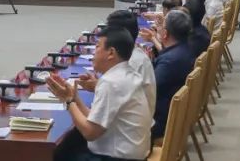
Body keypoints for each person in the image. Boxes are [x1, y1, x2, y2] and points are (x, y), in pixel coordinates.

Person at [47, 27, 152, 160]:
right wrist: (75, 98)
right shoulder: (128, 74)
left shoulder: (111, 82)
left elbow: (90, 132)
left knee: (60, 153)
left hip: (118, 158)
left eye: (97, 47)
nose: (93, 53)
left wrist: (68, 101)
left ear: (111, 53)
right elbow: (95, 119)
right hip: (131, 154)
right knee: (69, 146)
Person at [151, 10, 194, 142]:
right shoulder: (185, 49)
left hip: (158, 121)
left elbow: (147, 91)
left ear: (165, 33)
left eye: (162, 26)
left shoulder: (170, 61)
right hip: (171, 115)